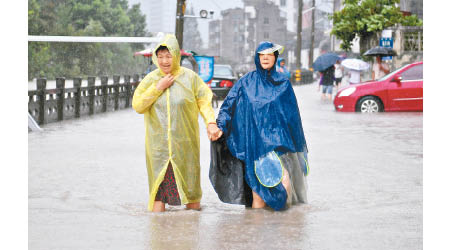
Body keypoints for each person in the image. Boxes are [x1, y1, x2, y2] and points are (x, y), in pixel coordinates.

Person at [211, 41, 309, 211]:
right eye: (261, 55)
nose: (265, 58)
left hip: (280, 145)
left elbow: (293, 117)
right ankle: (255, 233)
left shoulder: (284, 84)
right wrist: (219, 126)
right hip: (254, 146)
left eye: (269, 55)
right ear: (256, 58)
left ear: (275, 58)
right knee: (258, 194)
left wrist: (298, 145)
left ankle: (285, 234)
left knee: (285, 185)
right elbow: (228, 106)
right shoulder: (245, 82)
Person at [132, 34, 220, 212]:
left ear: (176, 56)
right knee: (159, 194)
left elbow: (204, 101)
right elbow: (138, 106)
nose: (164, 61)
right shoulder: (150, 80)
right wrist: (158, 88)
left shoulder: (191, 78)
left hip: (186, 146)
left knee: (192, 195)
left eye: (168, 55)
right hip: (159, 150)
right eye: (161, 56)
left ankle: (190, 236)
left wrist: (211, 123)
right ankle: (158, 237)